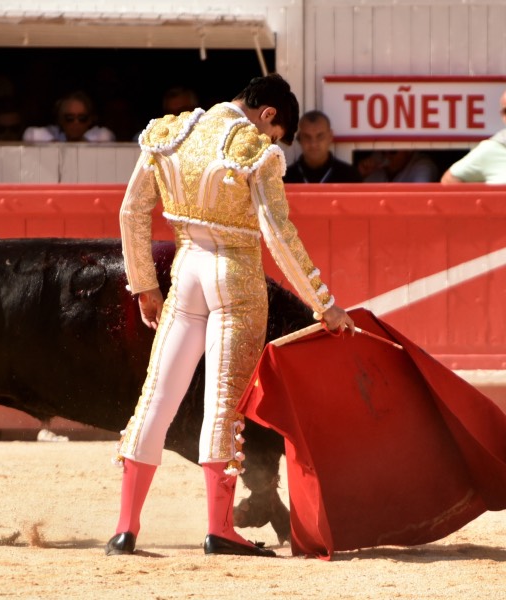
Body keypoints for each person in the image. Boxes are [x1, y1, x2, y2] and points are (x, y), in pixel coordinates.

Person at [107, 74, 354, 558]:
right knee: (222, 403)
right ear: (267, 115)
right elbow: (278, 235)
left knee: (155, 399)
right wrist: (323, 303)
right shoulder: (252, 147)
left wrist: (144, 285)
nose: (272, 142)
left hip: (185, 275)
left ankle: (124, 530)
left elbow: (132, 210)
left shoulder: (168, 133)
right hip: (236, 280)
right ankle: (220, 530)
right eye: (276, 132)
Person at [283, 110, 362, 183]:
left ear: (330, 136)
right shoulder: (284, 179)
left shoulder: (350, 177)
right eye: (307, 137)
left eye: (320, 136)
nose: (313, 144)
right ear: (299, 138)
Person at [23, 90, 115, 142]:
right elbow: (30, 134)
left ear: (89, 120)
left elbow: (107, 136)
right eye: (69, 118)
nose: (76, 122)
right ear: (61, 120)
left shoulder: (100, 137)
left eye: (82, 118)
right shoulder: (54, 135)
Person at [363, 150, 439, 183]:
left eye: (393, 151)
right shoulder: (377, 162)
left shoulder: (423, 166)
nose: (387, 157)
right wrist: (361, 174)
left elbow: (419, 201)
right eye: (383, 152)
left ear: (408, 151)